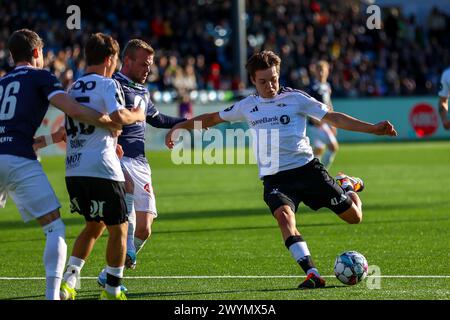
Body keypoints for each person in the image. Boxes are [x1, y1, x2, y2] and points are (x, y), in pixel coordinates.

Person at [165, 51, 397, 289]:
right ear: (253, 81)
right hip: (276, 178)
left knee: (354, 218)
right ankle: (312, 273)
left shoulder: (296, 98)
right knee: (285, 219)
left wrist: (372, 129)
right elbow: (214, 118)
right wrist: (181, 126)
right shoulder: (247, 106)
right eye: (263, 81)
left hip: (308, 170)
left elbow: (333, 118)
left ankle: (347, 185)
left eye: (273, 79)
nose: (270, 85)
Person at [0, 29, 117, 300]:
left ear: (11, 55)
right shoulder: (41, 76)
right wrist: (108, 120)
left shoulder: (4, 83)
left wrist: (51, 138)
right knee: (54, 228)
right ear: (37, 53)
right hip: (19, 160)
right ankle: (53, 297)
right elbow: (73, 109)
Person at [59, 33, 145, 300]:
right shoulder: (108, 85)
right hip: (102, 168)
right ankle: (113, 289)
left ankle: (68, 281)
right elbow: (120, 116)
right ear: (110, 59)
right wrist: (139, 113)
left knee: (93, 225)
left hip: (74, 169)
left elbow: (72, 128)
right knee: (118, 229)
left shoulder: (72, 88)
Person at [96, 39, 187, 288]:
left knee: (144, 229)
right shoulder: (113, 86)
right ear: (127, 61)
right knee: (128, 219)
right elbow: (99, 117)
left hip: (140, 162)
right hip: (117, 157)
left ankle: (107, 274)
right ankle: (115, 279)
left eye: (151, 64)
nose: (149, 69)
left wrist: (186, 122)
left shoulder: (143, 92)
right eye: (145, 64)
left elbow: (157, 119)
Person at [306, 60, 339, 169]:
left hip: (325, 123)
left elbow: (329, 104)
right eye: (319, 70)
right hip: (316, 125)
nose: (321, 73)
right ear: (315, 72)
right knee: (333, 147)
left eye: (323, 70)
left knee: (318, 151)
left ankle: (314, 175)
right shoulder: (312, 87)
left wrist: (333, 124)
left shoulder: (327, 86)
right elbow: (307, 105)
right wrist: (314, 119)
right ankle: (323, 174)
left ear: (327, 72)